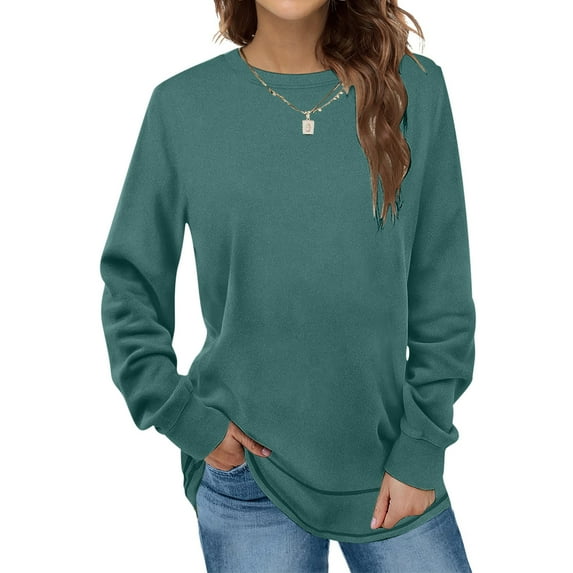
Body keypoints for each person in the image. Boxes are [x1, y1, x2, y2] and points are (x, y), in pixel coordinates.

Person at [99, 0, 476, 571]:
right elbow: (130, 285)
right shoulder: (183, 106)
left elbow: (441, 289)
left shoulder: (414, 90)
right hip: (249, 471)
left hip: (390, 461)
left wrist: (422, 447)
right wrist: (182, 417)